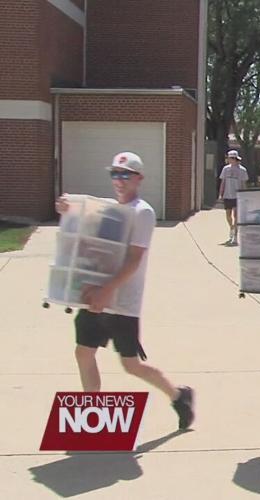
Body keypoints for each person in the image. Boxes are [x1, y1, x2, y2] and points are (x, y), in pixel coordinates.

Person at [55, 152, 194, 430]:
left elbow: (134, 260)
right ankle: (91, 416)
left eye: (125, 175)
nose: (119, 180)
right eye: (115, 174)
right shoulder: (110, 208)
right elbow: (82, 211)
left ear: (138, 179)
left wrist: (107, 291)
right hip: (95, 295)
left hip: (122, 302)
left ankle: (179, 396)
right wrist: (66, 206)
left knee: (130, 364)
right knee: (84, 353)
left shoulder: (142, 212)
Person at [218, 150, 249, 245]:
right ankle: (231, 227)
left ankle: (235, 236)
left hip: (237, 195)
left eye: (230, 158)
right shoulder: (225, 169)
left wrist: (244, 195)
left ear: (234, 159)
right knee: (228, 215)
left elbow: (244, 183)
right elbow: (223, 182)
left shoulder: (242, 170)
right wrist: (220, 194)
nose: (229, 160)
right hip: (228, 194)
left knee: (236, 216)